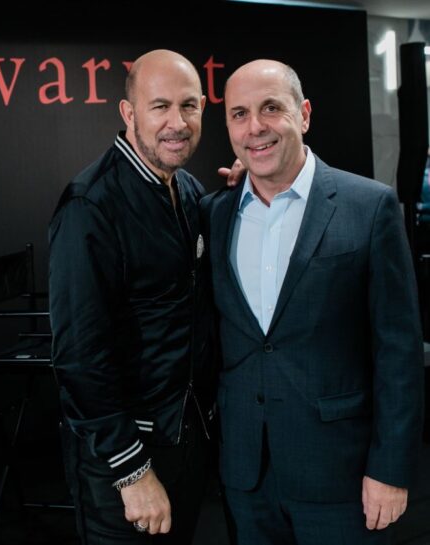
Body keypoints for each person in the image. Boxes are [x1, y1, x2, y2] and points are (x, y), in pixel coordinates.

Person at [202, 59, 425, 544]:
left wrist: (391, 468)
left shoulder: (369, 207)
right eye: (239, 114)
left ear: (303, 114)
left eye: (270, 108)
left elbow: (399, 352)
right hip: (246, 478)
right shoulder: (214, 214)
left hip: (343, 477)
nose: (254, 127)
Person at [48, 49, 217, 544]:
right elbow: (79, 356)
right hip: (125, 461)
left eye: (188, 106)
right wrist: (132, 471)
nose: (176, 123)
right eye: (159, 106)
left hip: (184, 442)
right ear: (129, 113)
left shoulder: (188, 190)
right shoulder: (90, 204)